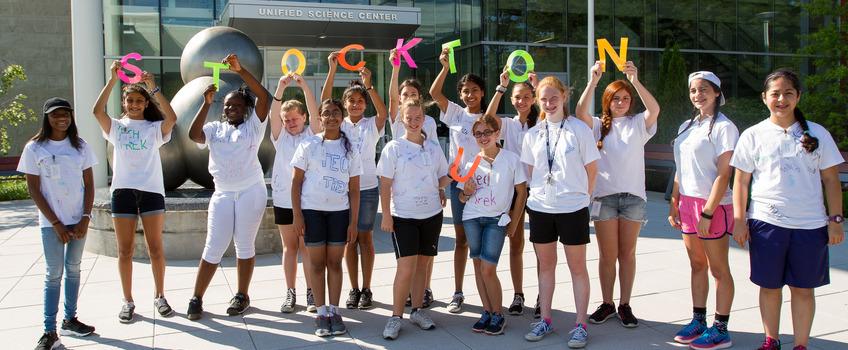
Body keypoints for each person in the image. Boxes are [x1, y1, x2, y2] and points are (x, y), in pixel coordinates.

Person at [730, 69, 844, 350]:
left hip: (810, 226)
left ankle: (801, 344)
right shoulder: (753, 135)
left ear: (798, 96)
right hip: (767, 223)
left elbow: (831, 180)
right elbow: (741, 181)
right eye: (775, 93)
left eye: (788, 93)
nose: (781, 99)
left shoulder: (817, 133)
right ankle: (771, 341)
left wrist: (835, 219)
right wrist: (740, 220)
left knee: (803, 289)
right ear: (764, 98)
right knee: (769, 287)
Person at [574, 61, 660, 328]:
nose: (621, 102)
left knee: (627, 255)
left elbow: (654, 109)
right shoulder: (599, 125)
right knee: (607, 256)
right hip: (604, 199)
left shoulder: (638, 123)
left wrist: (634, 80)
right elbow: (579, 112)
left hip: (633, 199)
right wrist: (593, 80)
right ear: (607, 101)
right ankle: (607, 303)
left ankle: (624, 304)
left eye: (625, 98)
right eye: (616, 98)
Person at [185, 54, 270, 320]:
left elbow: (264, 97)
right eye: (227, 104)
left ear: (246, 109)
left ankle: (241, 295)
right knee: (214, 246)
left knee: (244, 245)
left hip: (250, 191)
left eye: (237, 105)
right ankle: (197, 297)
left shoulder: (254, 127)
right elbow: (193, 135)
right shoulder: (214, 128)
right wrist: (205, 103)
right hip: (222, 193)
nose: (231, 107)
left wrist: (241, 69)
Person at [92, 63, 178, 323]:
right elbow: (96, 111)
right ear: (124, 101)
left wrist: (153, 88)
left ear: (145, 103)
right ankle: (128, 301)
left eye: (139, 100)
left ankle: (160, 295)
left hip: (151, 191)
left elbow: (171, 118)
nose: (134, 104)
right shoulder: (117, 127)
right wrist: (111, 80)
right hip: (123, 192)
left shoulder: (154, 128)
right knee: (125, 250)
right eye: (130, 100)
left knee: (155, 249)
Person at [520, 76, 599, 348]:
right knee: (546, 267)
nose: (549, 103)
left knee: (577, 268)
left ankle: (580, 324)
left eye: (554, 98)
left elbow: (592, 170)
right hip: (541, 208)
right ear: (537, 101)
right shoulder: (533, 134)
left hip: (573, 208)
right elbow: (530, 172)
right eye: (543, 99)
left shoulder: (579, 129)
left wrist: (582, 198)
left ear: (564, 96)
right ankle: (545, 319)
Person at [19, 98, 98, 350]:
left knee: (74, 269)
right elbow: (33, 189)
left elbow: (90, 185)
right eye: (55, 115)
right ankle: (49, 330)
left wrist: (85, 218)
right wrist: (55, 223)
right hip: (52, 223)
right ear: (47, 118)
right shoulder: (34, 148)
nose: (61, 118)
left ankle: (70, 319)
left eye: (65, 114)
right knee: (54, 274)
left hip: (78, 221)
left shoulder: (81, 146)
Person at [668, 71, 737, 349]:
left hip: (713, 206)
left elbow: (724, 174)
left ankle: (721, 328)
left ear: (717, 92)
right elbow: (680, 168)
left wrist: (708, 212)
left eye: (704, 89)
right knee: (697, 264)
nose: (698, 95)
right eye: (694, 90)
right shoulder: (687, 125)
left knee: (719, 270)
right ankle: (699, 320)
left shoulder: (724, 127)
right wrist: (675, 201)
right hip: (687, 202)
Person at [378, 99, 451, 340]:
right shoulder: (393, 148)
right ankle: (395, 316)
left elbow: (441, 177)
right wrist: (386, 214)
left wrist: (452, 178)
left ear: (424, 119)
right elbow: (385, 183)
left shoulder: (432, 147)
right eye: (408, 118)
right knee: (406, 267)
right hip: (404, 217)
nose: (413, 121)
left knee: (423, 266)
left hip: (432, 215)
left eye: (417, 117)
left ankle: (417, 310)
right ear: (401, 119)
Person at [321, 52, 388, 310]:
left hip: (369, 189)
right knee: (349, 240)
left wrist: (369, 84)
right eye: (351, 101)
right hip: (343, 191)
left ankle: (367, 288)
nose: (356, 104)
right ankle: (354, 288)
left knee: (365, 239)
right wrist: (332, 70)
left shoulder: (372, 124)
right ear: (345, 104)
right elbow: (326, 100)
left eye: (361, 101)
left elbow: (383, 111)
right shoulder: (339, 124)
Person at [291, 99, 361, 337]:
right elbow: (296, 182)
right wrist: (298, 215)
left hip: (339, 214)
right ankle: (321, 313)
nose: (331, 117)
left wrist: (353, 222)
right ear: (319, 118)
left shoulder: (350, 148)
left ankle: (334, 311)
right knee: (317, 264)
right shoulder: (308, 144)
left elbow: (354, 189)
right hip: (313, 212)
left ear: (342, 118)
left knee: (335, 263)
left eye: (335, 113)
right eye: (326, 113)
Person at [429, 47, 488, 313]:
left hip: (486, 186)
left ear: (482, 93)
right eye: (465, 90)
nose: (470, 94)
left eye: (475, 90)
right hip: (459, 185)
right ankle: (458, 292)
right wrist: (443, 67)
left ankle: (487, 292)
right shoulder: (454, 112)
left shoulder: (489, 118)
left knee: (484, 242)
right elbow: (433, 94)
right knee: (462, 240)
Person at [459, 114, 527, 336]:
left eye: (487, 132)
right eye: (478, 133)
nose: (482, 137)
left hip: (496, 219)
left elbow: (521, 192)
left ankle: (498, 313)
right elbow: (462, 198)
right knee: (478, 266)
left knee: (489, 268)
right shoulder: (471, 162)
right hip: (472, 218)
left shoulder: (511, 159)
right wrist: (465, 193)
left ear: (497, 133)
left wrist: (515, 224)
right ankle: (486, 311)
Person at [481, 69, 539, 316]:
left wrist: (538, 85)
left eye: (527, 96)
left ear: (534, 98)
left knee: (541, 247)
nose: (521, 101)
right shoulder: (507, 124)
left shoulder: (543, 122)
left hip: (539, 191)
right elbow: (487, 118)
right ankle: (518, 294)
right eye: (517, 97)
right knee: (516, 242)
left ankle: (542, 296)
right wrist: (501, 87)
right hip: (514, 190)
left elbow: (552, 110)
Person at [388, 48, 441, 308]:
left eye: (413, 95)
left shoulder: (428, 124)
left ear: (421, 100)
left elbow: (435, 163)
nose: (409, 99)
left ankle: (423, 293)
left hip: (429, 201)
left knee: (425, 257)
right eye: (404, 95)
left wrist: (442, 186)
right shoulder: (398, 119)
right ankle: (402, 305)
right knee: (407, 262)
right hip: (404, 205)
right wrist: (395, 67)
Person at [271, 73, 323, 314]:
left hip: (308, 201)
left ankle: (311, 292)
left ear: (303, 118)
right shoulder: (279, 138)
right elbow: (274, 114)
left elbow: (315, 113)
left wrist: (304, 86)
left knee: (306, 248)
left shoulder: (312, 136)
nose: (291, 122)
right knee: (289, 248)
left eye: (295, 118)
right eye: (287, 119)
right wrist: (280, 88)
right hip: (283, 201)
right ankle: (290, 293)